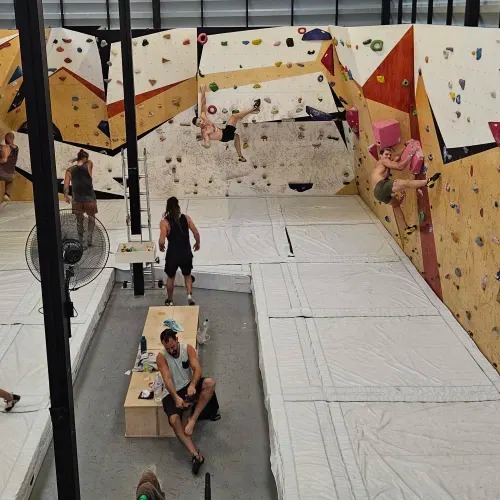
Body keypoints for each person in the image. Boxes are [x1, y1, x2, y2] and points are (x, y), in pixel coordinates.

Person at [156, 328, 216, 475]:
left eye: (173, 347)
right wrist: (175, 397)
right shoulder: (161, 357)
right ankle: (196, 455)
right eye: (167, 348)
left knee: (209, 383)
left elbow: (197, 369)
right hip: (172, 391)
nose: (171, 351)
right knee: (174, 420)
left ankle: (192, 419)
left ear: (177, 340)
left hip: (188, 385)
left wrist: (192, 385)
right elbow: (167, 379)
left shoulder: (187, 349)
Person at [371, 147, 441, 235]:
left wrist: (405, 146)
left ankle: (406, 228)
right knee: (406, 183)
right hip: (380, 186)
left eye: (389, 155)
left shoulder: (385, 163)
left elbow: (397, 157)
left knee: (396, 205)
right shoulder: (383, 161)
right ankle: (428, 181)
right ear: (380, 156)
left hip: (377, 194)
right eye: (386, 154)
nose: (388, 156)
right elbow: (400, 166)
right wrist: (410, 154)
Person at [192, 84, 260, 162]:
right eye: (199, 124)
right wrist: (205, 145)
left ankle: (240, 156)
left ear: (200, 119)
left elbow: (203, 103)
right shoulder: (204, 132)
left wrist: (203, 89)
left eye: (200, 121)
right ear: (197, 126)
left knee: (236, 136)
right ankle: (254, 108)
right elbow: (207, 143)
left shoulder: (204, 117)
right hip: (225, 135)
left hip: (224, 131)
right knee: (234, 117)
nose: (201, 123)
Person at [159, 197, 200, 306]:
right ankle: (189, 296)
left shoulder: (165, 222)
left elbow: (162, 240)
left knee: (171, 277)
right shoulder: (186, 218)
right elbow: (196, 233)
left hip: (172, 254)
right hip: (186, 253)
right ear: (178, 206)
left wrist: (161, 246)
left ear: (167, 207)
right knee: (187, 275)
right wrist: (197, 243)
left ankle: (170, 300)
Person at [64, 149, 98, 247]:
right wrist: (80, 158)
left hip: (77, 199)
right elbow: (88, 161)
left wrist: (66, 196)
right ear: (85, 158)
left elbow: (66, 186)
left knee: (79, 221)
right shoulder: (89, 165)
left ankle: (80, 239)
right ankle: (89, 238)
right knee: (91, 218)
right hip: (90, 198)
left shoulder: (69, 170)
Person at [0, 132, 19, 202]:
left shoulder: (5, 147)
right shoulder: (16, 148)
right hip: (11, 174)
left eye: (5, 138)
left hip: (2, 173)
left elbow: (4, 160)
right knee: (9, 181)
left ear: (7, 138)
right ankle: (7, 195)